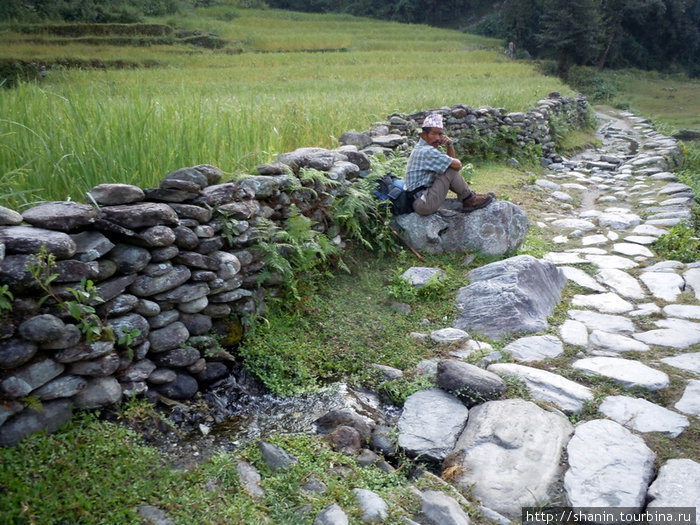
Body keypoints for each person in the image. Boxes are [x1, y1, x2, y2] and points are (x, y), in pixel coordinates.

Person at [404, 113, 494, 216]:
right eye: (434, 134)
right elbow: (456, 165)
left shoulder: (421, 148)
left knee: (448, 167)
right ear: (424, 134)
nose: (438, 138)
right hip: (423, 204)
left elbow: (452, 163)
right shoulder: (427, 151)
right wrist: (450, 147)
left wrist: (449, 145)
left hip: (419, 200)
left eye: (440, 134)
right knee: (449, 169)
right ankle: (469, 199)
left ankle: (468, 197)